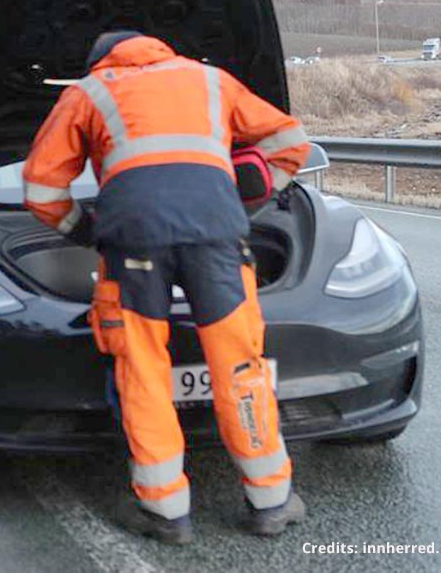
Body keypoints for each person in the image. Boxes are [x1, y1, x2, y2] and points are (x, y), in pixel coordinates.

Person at [22, 31, 311, 545]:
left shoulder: (88, 93)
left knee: (143, 370)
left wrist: (87, 231)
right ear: (160, 48)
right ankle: (271, 501)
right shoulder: (210, 79)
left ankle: (166, 513)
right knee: (240, 366)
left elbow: (42, 187)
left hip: (133, 245)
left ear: (100, 61)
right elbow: (290, 145)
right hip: (218, 240)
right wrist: (241, 204)